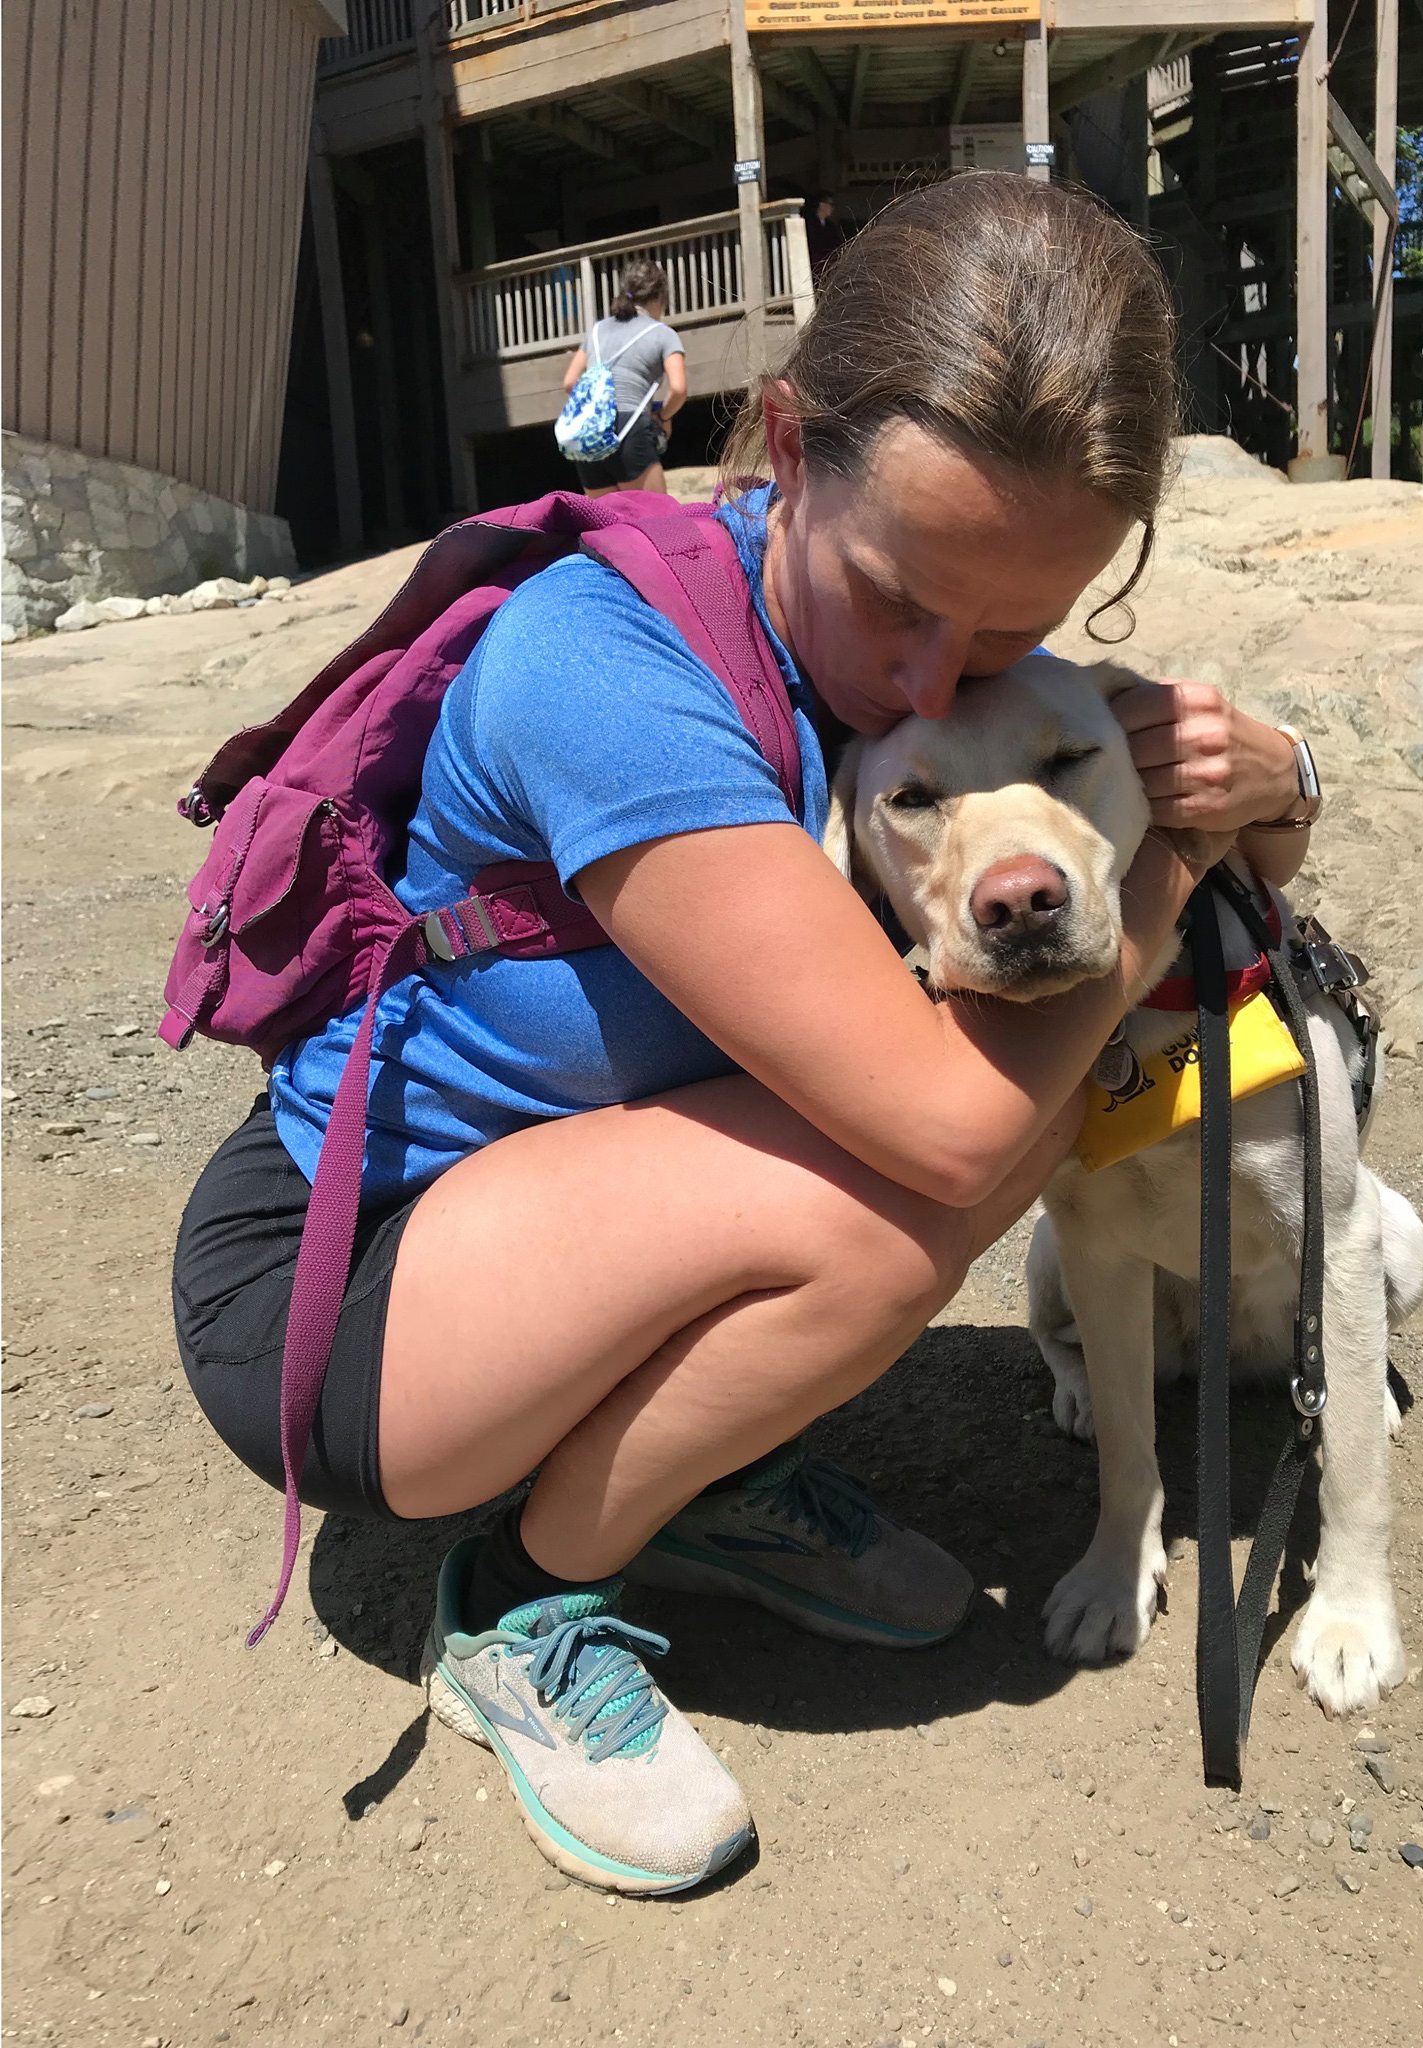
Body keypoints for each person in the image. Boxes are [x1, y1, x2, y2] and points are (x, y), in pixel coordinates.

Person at [172, 172, 1314, 1898]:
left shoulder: (923, 694)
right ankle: (518, 1596)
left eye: (1013, 631)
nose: (938, 683)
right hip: (347, 1296)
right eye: (896, 597)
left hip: (579, 1228)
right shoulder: (606, 668)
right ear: (782, 436)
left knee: (946, 1136)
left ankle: (687, 1476)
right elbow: (943, 1129)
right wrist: (1158, 859)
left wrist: (1280, 779)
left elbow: (1193, 885)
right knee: (901, 1197)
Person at [559, 257, 687, 495]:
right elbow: (678, 389)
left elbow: (569, 383)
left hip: (590, 435)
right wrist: (663, 417)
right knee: (658, 522)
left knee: (607, 528)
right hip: (629, 430)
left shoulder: (597, 330)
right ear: (660, 297)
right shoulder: (664, 334)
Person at [804, 191, 849, 278]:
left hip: (828, 266)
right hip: (813, 265)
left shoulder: (831, 226)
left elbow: (836, 244)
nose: (833, 208)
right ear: (822, 205)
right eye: (831, 204)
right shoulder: (808, 223)